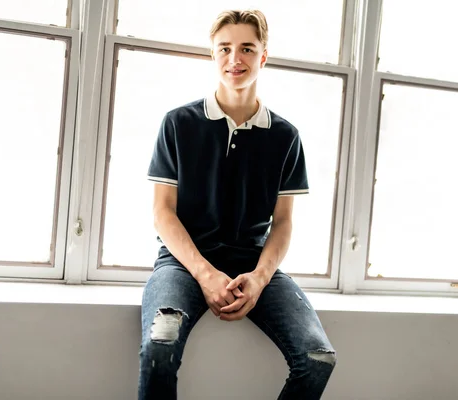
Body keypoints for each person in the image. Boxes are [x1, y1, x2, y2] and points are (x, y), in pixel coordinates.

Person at [139, 9, 336, 400]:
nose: (235, 59)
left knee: (318, 358)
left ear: (263, 56)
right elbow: (163, 212)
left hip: (253, 263)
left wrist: (261, 277)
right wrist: (206, 274)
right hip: (182, 263)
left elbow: (282, 223)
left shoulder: (285, 136)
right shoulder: (178, 123)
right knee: (159, 346)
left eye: (247, 48)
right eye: (225, 48)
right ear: (213, 55)